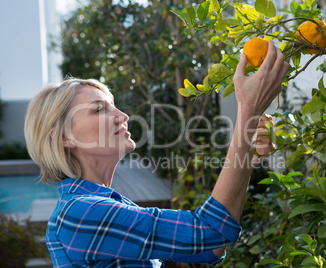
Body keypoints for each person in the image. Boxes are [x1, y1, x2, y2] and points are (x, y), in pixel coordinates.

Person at [24, 41, 289, 267]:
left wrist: (248, 155)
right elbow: (210, 231)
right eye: (99, 109)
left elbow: (207, 250)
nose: (123, 116)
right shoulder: (81, 213)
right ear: (64, 137)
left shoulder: (106, 206)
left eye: (114, 106)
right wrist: (248, 111)